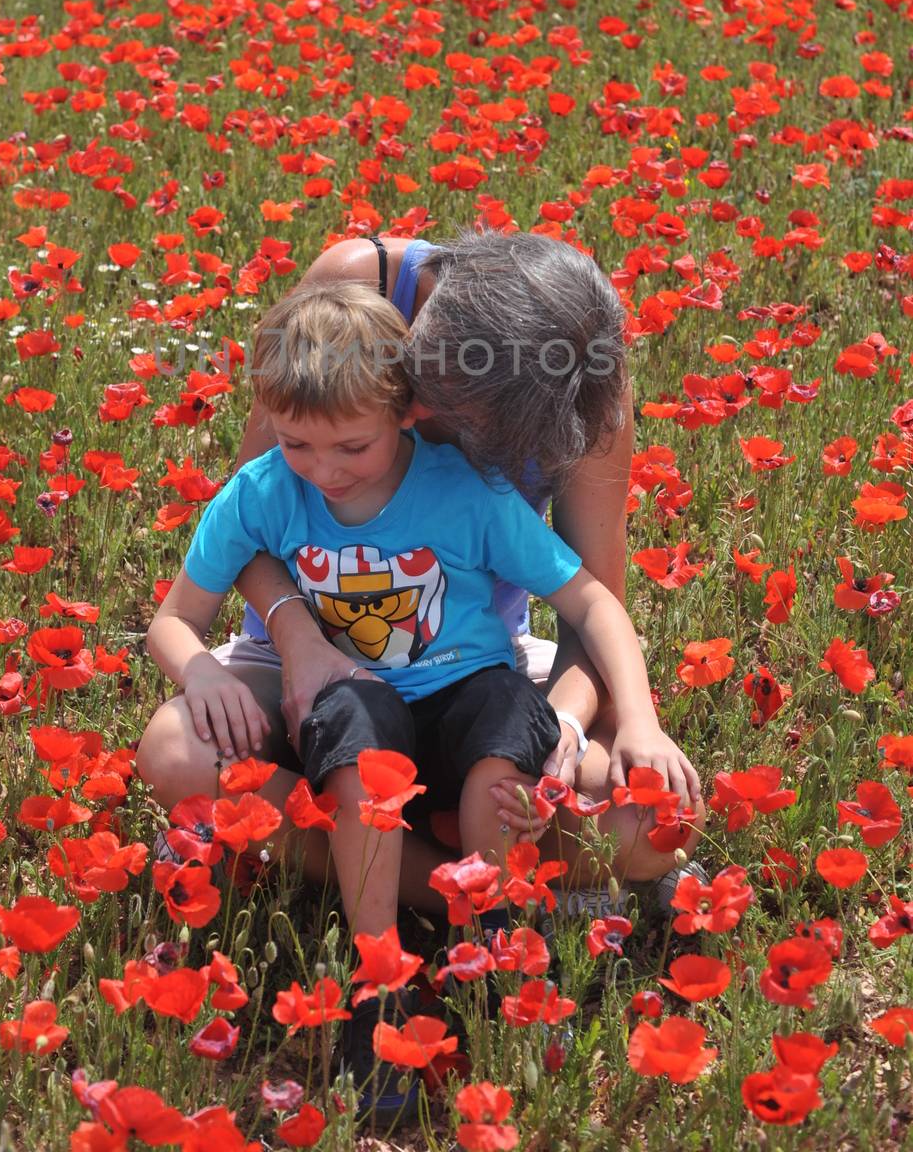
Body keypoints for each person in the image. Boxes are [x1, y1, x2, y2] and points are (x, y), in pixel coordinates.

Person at [137, 276, 706, 1118]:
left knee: (499, 775)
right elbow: (173, 620)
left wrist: (643, 723)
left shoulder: (465, 490)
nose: (321, 471)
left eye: (349, 449)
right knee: (364, 770)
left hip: (470, 685)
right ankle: (379, 987)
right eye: (296, 443)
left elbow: (590, 600)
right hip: (352, 693)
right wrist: (204, 671)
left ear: (407, 413)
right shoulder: (263, 489)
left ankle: (494, 956)